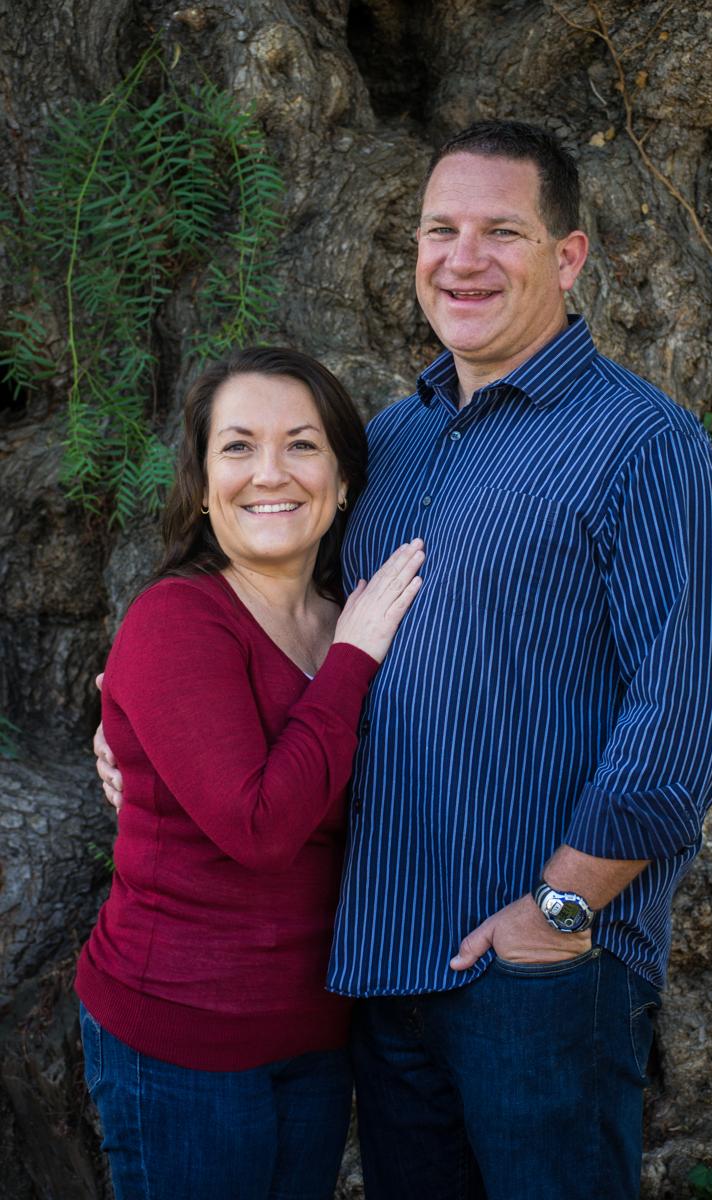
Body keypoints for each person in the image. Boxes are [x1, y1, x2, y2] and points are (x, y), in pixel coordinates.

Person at [97, 121, 712, 1199]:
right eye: (440, 229)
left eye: (501, 231)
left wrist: (561, 907)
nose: (463, 258)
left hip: (535, 970)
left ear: (568, 257)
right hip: (382, 959)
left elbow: (686, 708)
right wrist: (126, 721)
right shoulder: (388, 442)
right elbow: (268, 618)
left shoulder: (644, 445)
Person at [77, 346, 424, 1200]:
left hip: (313, 1031)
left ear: (343, 482)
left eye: (302, 444)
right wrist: (350, 659)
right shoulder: (179, 621)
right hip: (181, 1039)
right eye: (237, 446)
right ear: (200, 483)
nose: (270, 472)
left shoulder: (358, 617)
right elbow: (262, 827)